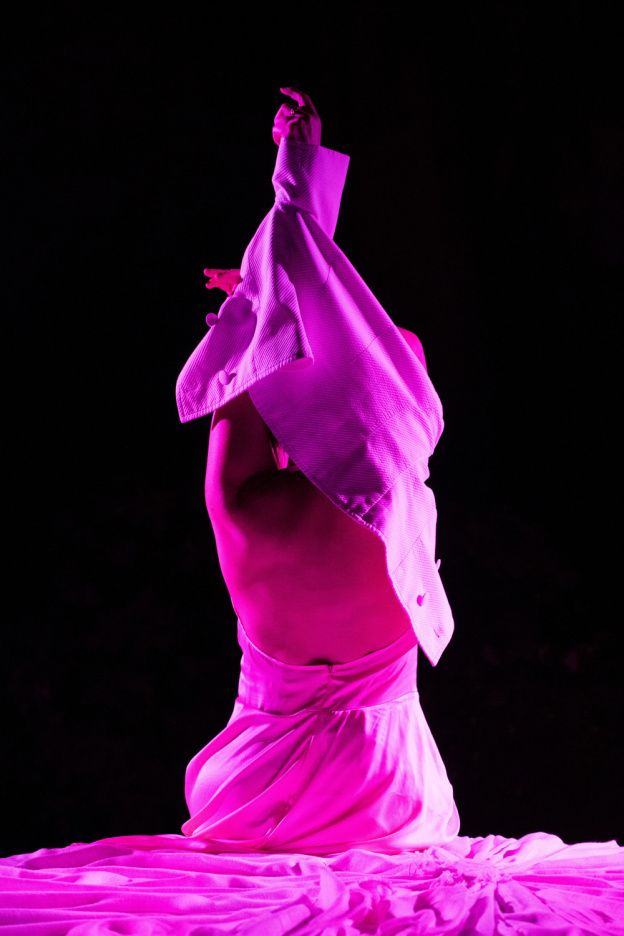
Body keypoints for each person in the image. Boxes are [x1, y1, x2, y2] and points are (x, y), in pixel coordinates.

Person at [2, 88, 623, 936]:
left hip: (255, 810)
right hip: (389, 809)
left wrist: (261, 296)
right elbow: (387, 364)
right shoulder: (402, 508)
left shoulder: (245, 515)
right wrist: (293, 228)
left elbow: (259, 381)